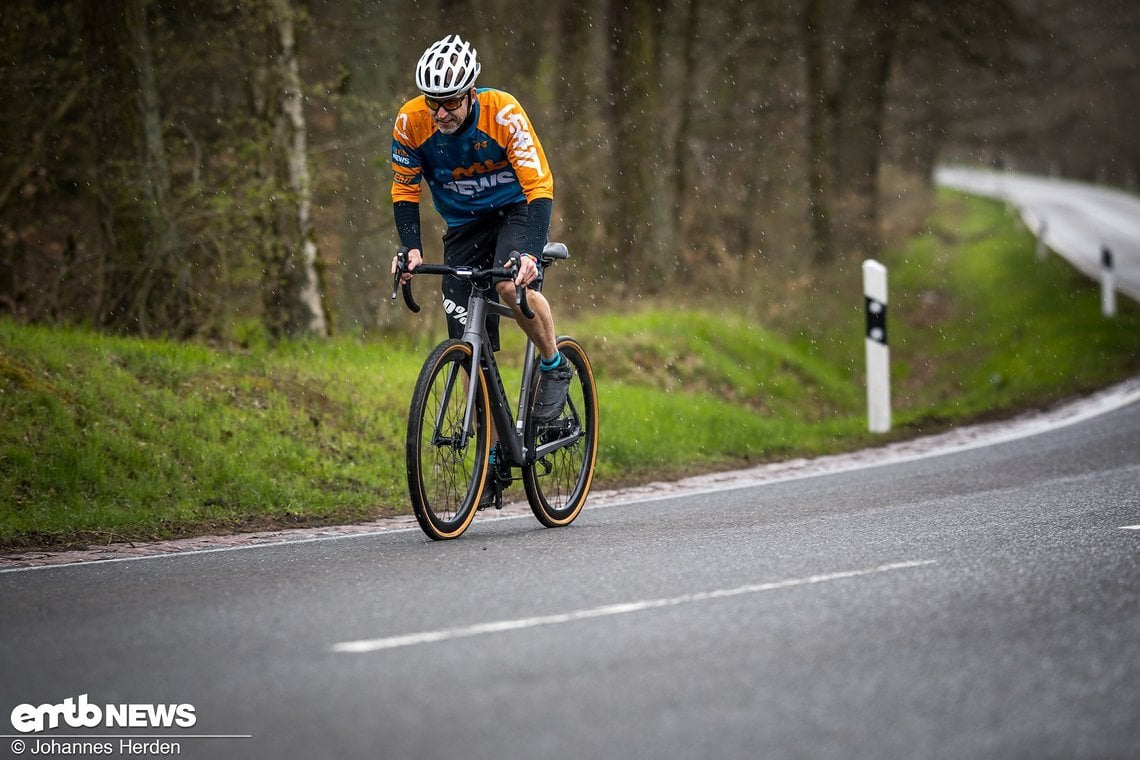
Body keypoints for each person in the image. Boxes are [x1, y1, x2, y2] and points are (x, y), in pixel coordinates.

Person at [389, 33, 570, 423]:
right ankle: (490, 453)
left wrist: (529, 254)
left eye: (451, 101)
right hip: (464, 224)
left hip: (515, 210)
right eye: (433, 102)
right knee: (465, 342)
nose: (440, 114)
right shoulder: (410, 121)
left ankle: (554, 364)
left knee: (508, 283)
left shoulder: (503, 113)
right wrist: (411, 248)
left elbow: (539, 186)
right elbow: (405, 187)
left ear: (472, 92)